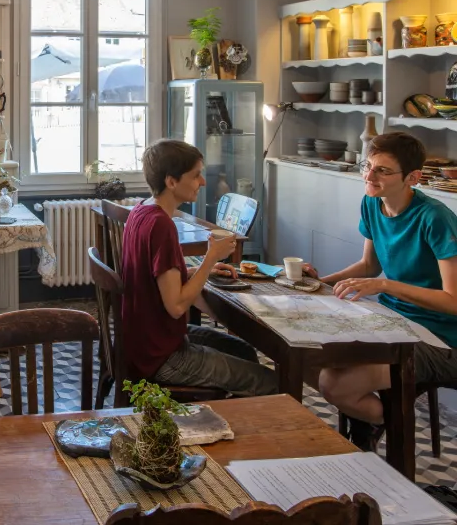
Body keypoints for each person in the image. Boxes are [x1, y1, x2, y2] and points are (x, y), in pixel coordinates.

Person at [308, 132, 457, 450]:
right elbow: (368, 266)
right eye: (368, 166)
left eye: (382, 170)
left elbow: (453, 301)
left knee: (334, 385)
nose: (369, 176)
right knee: (319, 356)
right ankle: (368, 431)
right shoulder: (372, 203)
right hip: (393, 320)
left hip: (442, 338)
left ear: (412, 178)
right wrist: (319, 284)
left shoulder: (435, 218)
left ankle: (391, 425)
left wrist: (387, 286)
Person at [120, 138, 277, 396]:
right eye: (195, 176)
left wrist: (194, 272)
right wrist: (210, 258)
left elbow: (155, 279)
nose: (202, 182)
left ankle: (234, 420)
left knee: (244, 351)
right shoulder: (162, 226)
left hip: (143, 343)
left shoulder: (141, 211)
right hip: (161, 357)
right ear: (171, 182)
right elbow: (177, 306)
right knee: (270, 383)